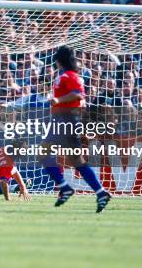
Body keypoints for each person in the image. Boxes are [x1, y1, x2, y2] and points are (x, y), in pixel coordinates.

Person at [39, 46, 112, 213]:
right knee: (77, 161)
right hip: (66, 120)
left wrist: (58, 100)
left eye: (56, 59)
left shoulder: (70, 76)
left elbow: (78, 95)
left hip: (66, 120)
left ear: (60, 60)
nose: (55, 62)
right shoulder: (67, 75)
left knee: (44, 152)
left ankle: (65, 186)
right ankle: (100, 192)